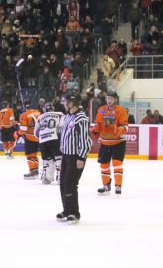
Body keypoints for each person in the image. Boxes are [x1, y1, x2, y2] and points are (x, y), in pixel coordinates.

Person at [57, 92, 92, 224]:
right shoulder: (68, 116)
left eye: (66, 101)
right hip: (66, 155)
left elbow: (85, 140)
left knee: (70, 183)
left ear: (72, 102)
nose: (64, 104)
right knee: (63, 183)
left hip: (76, 156)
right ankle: (66, 210)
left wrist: (81, 158)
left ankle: (74, 213)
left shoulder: (81, 118)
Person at [92, 91, 128, 195]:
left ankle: (118, 186)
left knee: (117, 165)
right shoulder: (101, 110)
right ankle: (106, 185)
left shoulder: (121, 111)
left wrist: (116, 130)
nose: (109, 100)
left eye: (111, 98)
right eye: (107, 98)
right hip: (104, 143)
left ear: (115, 99)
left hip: (118, 143)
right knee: (104, 165)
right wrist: (95, 129)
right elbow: (97, 123)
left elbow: (125, 127)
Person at [35, 102, 63, 184]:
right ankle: (60, 177)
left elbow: (36, 133)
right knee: (58, 158)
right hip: (55, 138)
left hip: (43, 140)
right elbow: (62, 128)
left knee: (47, 160)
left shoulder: (40, 117)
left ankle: (47, 177)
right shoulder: (60, 114)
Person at [19, 99, 42, 179]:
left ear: (24, 106)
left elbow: (23, 129)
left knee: (30, 155)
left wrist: (17, 134)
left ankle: (33, 172)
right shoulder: (39, 113)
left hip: (30, 138)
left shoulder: (24, 115)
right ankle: (35, 171)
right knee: (34, 155)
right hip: (39, 137)